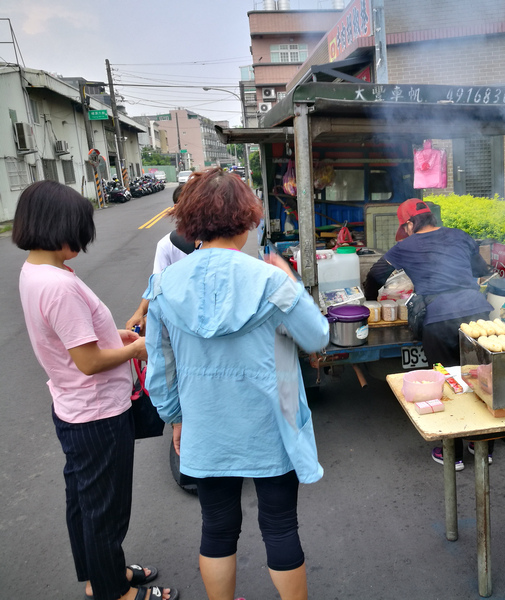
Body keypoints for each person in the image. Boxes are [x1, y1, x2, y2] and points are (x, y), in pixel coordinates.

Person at [143, 167, 329, 600]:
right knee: (280, 524)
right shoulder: (269, 281)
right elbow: (317, 336)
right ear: (247, 221)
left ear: (189, 224)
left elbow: (161, 367)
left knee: (217, 526)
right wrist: (291, 281)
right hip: (272, 423)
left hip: (206, 423)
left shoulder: (165, 285)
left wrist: (175, 418)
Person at [13, 181, 178, 600]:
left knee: (84, 503)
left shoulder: (35, 271)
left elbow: (75, 344)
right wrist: (138, 348)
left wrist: (113, 336)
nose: (83, 241)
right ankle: (113, 592)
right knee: (106, 510)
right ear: (57, 226)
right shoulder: (59, 286)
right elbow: (87, 363)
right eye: (79, 229)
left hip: (72, 407)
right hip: (98, 414)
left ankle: (99, 574)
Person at [365, 198, 495, 470]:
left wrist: (370, 302)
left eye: (406, 225)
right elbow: (480, 271)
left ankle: (454, 454)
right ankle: (482, 445)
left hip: (439, 320)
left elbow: (376, 276)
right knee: (482, 378)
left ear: (411, 223)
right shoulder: (460, 235)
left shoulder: (405, 245)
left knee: (447, 381)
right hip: (478, 314)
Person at [125, 183, 194, 333]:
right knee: (142, 328)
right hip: (178, 319)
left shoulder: (215, 240)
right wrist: (139, 312)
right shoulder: (166, 244)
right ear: (175, 208)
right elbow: (157, 286)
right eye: (183, 204)